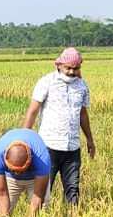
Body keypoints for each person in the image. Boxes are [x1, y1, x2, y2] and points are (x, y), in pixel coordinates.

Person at [22, 47, 96, 208]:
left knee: (73, 189)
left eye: (75, 68)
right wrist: (23, 138)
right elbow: (33, 110)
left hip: (73, 147)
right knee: (43, 191)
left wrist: (89, 139)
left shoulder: (82, 86)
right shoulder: (46, 82)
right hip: (49, 146)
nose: (71, 72)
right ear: (59, 65)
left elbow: (82, 114)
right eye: (68, 68)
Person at [0, 128, 51, 217]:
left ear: (30, 160)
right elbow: (2, 194)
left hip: (34, 179)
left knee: (42, 213)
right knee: (2, 214)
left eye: (21, 171)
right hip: (11, 179)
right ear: (5, 160)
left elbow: (38, 197)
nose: (18, 174)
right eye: (14, 170)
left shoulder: (43, 159)